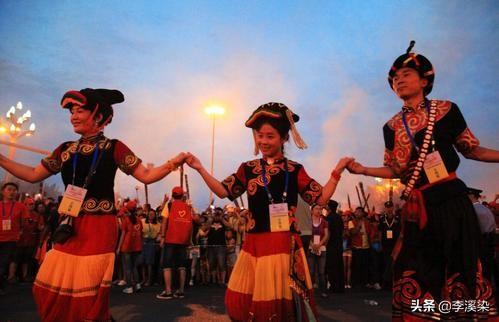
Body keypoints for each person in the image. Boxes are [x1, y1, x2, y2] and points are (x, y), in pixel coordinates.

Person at [0, 88, 186, 321]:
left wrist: (173, 162)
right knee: (46, 287)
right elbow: (33, 174)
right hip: (68, 225)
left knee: (88, 294)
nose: (73, 116)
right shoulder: (65, 149)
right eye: (72, 112)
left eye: (80, 111)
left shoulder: (114, 147)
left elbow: (146, 175)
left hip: (99, 226)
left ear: (98, 117)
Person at [347, 42, 499, 320]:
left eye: (405, 74)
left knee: (460, 266)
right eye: (394, 78)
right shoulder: (391, 126)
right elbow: (394, 170)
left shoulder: (446, 109)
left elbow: (472, 150)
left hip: (452, 200)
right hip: (419, 206)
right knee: (417, 268)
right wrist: (362, 170)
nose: (398, 80)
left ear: (425, 79)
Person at [185, 102, 352, 321]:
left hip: (285, 245)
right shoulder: (248, 168)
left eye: (270, 136)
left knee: (281, 304)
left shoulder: (295, 170)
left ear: (284, 138)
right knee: (241, 302)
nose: (263, 141)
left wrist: (337, 173)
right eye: (259, 135)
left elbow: (319, 198)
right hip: (255, 245)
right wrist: (200, 168)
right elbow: (224, 191)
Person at [157, 186, 198, 300]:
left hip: (170, 239)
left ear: (173, 195)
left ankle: (169, 291)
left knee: (167, 265)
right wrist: (190, 239)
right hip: (184, 240)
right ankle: (181, 291)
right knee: (182, 266)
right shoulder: (188, 207)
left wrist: (162, 236)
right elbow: (194, 222)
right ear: (182, 195)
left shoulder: (169, 205)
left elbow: (164, 221)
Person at [0, 182, 28, 295]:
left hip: (10, 240)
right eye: (9, 189)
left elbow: (23, 223)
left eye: (14, 190)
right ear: (3, 191)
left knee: (2, 264)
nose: (12, 192)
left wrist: (19, 233)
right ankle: (1, 286)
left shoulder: (20, 206)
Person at [116, 200, 143, 294]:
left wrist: (119, 248)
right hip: (137, 246)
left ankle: (129, 287)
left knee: (127, 268)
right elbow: (141, 233)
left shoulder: (126, 220)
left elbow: (123, 235)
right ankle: (138, 284)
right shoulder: (139, 220)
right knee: (135, 267)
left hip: (126, 246)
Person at [307, 203, 329, 298]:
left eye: (320, 209)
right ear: (312, 210)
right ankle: (310, 292)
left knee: (321, 271)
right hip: (310, 248)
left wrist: (319, 244)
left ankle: (323, 291)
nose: (319, 210)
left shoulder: (324, 222)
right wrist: (312, 244)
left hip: (321, 248)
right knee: (311, 271)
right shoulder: (308, 221)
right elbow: (306, 234)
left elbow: (326, 235)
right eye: (316, 208)